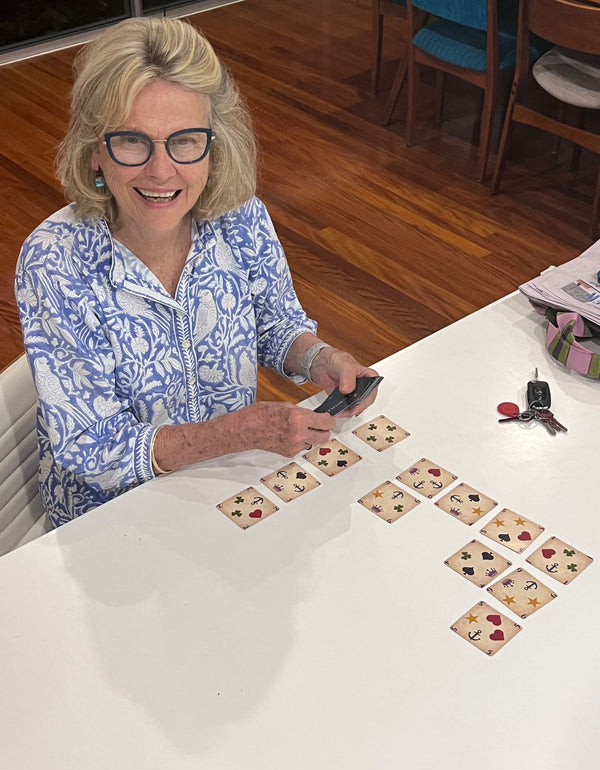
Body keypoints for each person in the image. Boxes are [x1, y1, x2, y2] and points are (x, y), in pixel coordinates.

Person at [15, 16, 379, 529]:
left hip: (229, 493)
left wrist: (319, 356)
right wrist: (232, 434)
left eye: (185, 141)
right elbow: (90, 446)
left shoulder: (240, 215)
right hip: (112, 528)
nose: (161, 171)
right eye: (132, 141)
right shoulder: (56, 261)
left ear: (214, 143)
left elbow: (275, 325)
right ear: (96, 151)